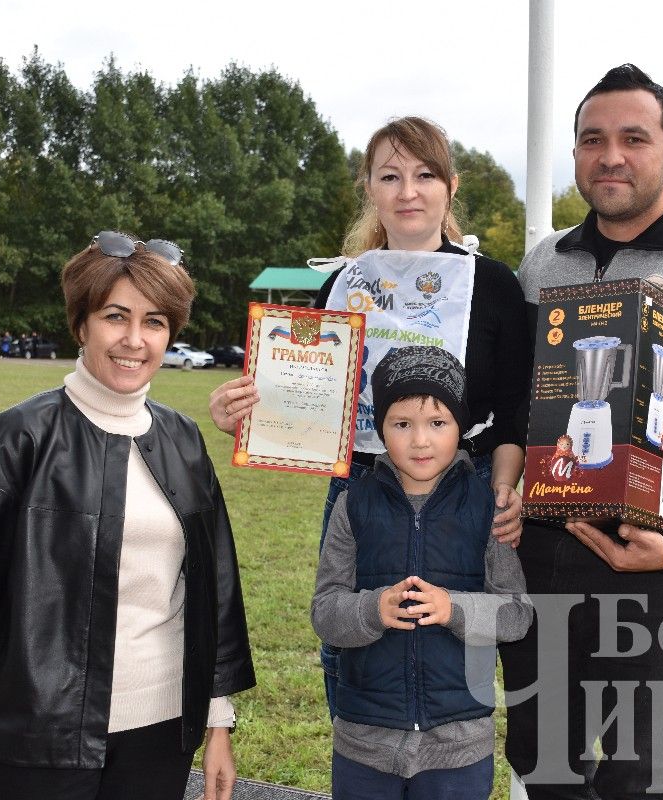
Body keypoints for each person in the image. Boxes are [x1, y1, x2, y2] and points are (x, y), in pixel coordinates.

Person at [498, 65, 663, 800]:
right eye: (592, 139)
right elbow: (519, 396)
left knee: (635, 772)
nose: (610, 155)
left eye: (633, 139)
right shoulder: (544, 262)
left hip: (648, 566)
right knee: (540, 759)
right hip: (543, 556)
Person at [0, 231, 257, 800]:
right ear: (81, 324)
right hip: (34, 729)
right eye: (115, 317)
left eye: (155, 323)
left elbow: (212, 590)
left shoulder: (183, 439)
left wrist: (218, 719)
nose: (134, 340)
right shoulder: (17, 436)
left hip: (160, 729)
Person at [208, 117, 532, 710]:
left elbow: (515, 409)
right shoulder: (341, 283)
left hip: (465, 492)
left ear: (450, 187)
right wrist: (248, 415)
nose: (408, 191)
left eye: (424, 175)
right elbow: (305, 398)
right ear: (371, 189)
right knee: (355, 640)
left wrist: (505, 487)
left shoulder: (492, 285)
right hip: (361, 487)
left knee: (454, 649)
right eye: (391, 176)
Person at [311, 346, 531, 799]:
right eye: (402, 424)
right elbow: (325, 612)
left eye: (437, 423)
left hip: (459, 748)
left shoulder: (489, 509)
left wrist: (454, 608)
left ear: (460, 427)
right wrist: (374, 609)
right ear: (380, 429)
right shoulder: (354, 505)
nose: (420, 441)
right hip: (364, 743)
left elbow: (516, 615)